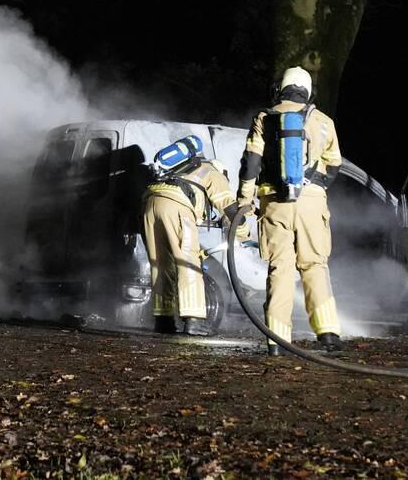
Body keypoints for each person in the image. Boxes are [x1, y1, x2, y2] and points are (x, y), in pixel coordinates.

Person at [236, 66, 344, 355]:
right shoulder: (324, 121)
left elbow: (251, 162)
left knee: (280, 268)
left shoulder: (264, 117)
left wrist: (244, 200)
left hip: (274, 203)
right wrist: (312, 187)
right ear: (308, 92)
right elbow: (334, 165)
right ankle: (328, 334)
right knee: (315, 265)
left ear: (279, 89)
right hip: (312, 203)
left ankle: (277, 340)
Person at [142, 135, 239, 336]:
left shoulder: (181, 169)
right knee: (188, 262)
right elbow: (230, 208)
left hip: (150, 202)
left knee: (161, 264)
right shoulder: (212, 172)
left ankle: (163, 320)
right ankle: (193, 320)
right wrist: (244, 234)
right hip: (176, 205)